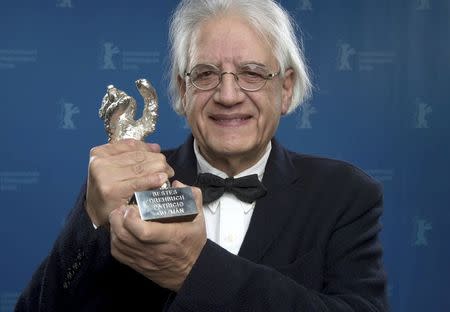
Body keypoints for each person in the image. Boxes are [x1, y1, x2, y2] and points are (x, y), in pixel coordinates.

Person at [16, 0, 388, 311]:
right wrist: (91, 220)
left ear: (285, 89)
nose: (228, 95)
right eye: (206, 74)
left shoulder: (344, 194)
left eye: (252, 73)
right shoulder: (127, 182)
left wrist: (195, 269)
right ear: (182, 90)